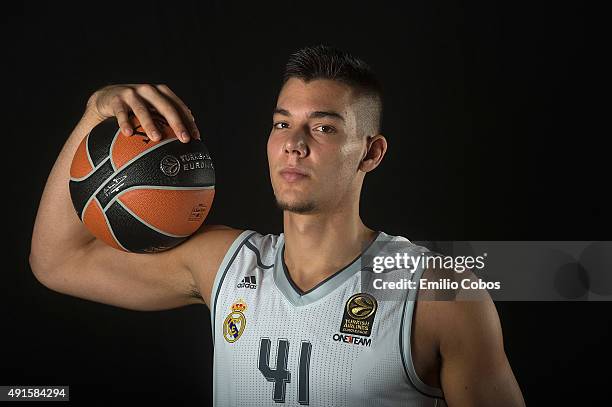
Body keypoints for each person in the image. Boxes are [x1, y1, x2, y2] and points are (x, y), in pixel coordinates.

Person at [30, 44, 525, 406]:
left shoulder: (442, 293)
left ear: (371, 153)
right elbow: (57, 261)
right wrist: (95, 113)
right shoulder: (223, 266)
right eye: (282, 123)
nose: (294, 142)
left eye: (324, 127)